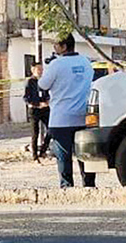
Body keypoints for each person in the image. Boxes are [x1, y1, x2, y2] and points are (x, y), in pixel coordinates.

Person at [38, 33, 95, 188]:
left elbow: (43, 85)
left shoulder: (56, 64)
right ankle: (89, 185)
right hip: (83, 116)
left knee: (63, 155)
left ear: (63, 46)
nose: (55, 49)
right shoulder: (85, 62)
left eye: (56, 45)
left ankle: (67, 186)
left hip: (61, 117)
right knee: (84, 154)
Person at [24, 62, 51, 161]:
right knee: (35, 133)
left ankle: (43, 150)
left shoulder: (44, 81)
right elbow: (26, 98)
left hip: (45, 109)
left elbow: (47, 93)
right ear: (33, 70)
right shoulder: (30, 82)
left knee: (51, 129)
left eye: (42, 69)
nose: (41, 71)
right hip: (35, 110)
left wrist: (47, 101)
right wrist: (37, 104)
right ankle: (35, 156)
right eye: (39, 69)